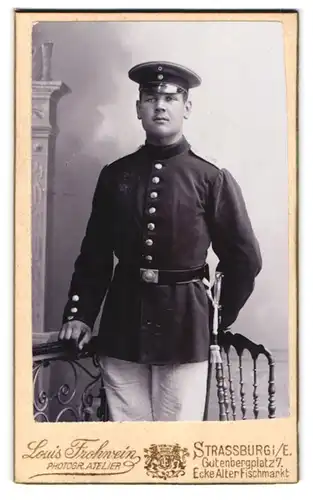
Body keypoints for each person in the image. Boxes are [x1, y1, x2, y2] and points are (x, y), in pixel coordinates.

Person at [58, 61, 262, 422]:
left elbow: (244, 258)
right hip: (122, 325)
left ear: (187, 107)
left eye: (170, 98)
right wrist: (81, 315)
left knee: (175, 444)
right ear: (139, 109)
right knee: (128, 437)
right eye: (151, 98)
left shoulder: (210, 177)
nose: (160, 106)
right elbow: (95, 254)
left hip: (185, 327)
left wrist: (215, 317)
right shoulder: (116, 175)